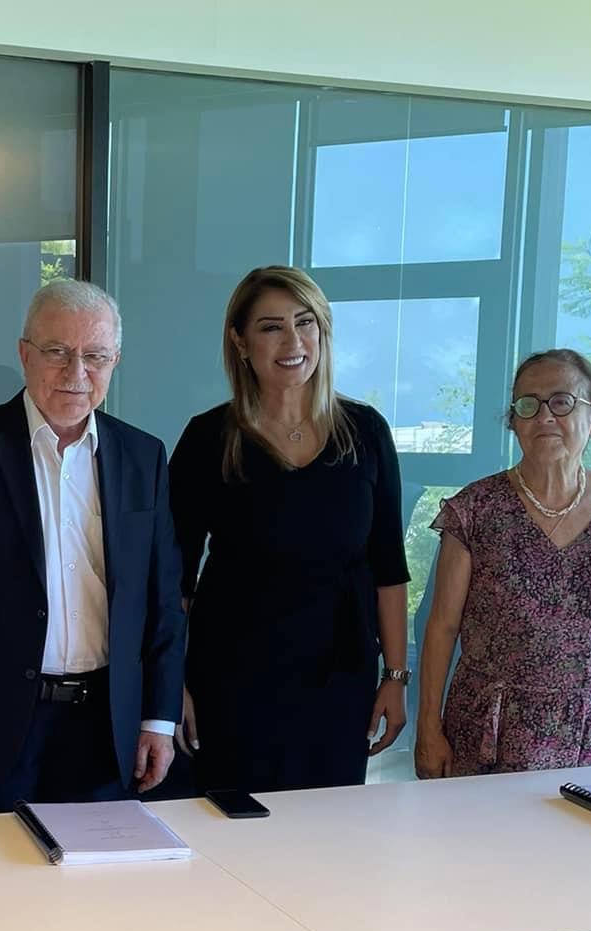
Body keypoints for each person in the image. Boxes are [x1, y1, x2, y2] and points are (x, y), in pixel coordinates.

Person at [0, 280, 183, 812]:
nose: (77, 372)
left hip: (107, 723)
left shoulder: (143, 457)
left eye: (95, 356)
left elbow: (163, 598)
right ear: (24, 353)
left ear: (115, 362)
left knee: (95, 864)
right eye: (58, 351)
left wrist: (158, 719)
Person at [169, 266, 410, 793]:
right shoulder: (209, 437)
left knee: (327, 828)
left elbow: (389, 568)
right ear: (240, 341)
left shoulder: (366, 431)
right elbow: (173, 579)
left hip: (339, 676)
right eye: (271, 327)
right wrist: (171, 685)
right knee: (232, 826)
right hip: (231, 677)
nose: (293, 342)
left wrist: (395, 677)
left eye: (305, 323)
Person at [416, 348, 591, 778]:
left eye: (562, 402)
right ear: (513, 422)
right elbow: (442, 626)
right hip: (493, 728)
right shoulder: (475, 508)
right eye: (528, 405)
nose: (545, 416)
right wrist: (428, 727)